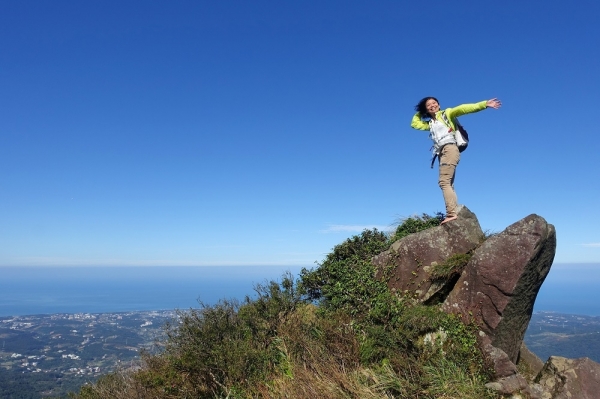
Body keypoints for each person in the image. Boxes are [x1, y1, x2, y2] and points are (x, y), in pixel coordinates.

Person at [411, 97, 501, 225]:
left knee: (444, 182)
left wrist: (484, 104)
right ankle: (454, 211)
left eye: (434, 103)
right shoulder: (430, 123)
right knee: (449, 184)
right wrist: (421, 111)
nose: (432, 105)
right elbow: (414, 124)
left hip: (450, 148)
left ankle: (451, 213)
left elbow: (463, 108)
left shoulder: (446, 114)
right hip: (441, 153)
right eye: (429, 105)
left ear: (439, 104)